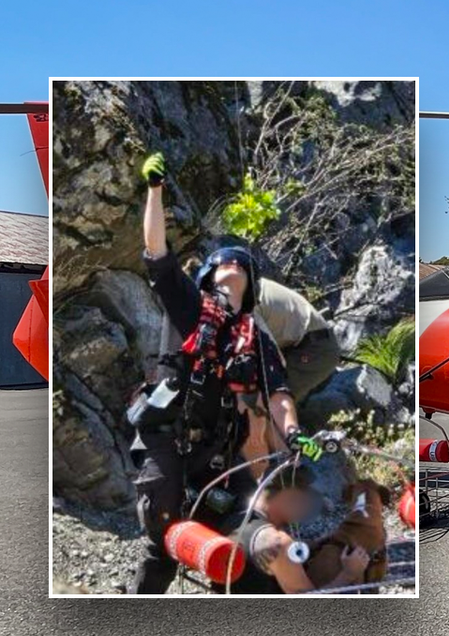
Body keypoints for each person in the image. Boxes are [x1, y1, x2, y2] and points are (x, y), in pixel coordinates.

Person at [128, 152, 323, 594]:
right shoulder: (190, 307)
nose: (232, 265)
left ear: (252, 286)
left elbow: (278, 395)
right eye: (223, 261)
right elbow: (157, 254)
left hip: (221, 450)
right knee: (161, 542)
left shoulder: (256, 336)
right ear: (208, 274)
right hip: (169, 438)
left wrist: (292, 432)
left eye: (240, 264)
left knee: (253, 526)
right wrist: (155, 191)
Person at [230, 464, 371, 594]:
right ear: (290, 496)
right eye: (306, 500)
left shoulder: (235, 513)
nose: (308, 509)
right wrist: (348, 573)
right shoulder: (277, 544)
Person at [255, 277, 340, 404]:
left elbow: (272, 357)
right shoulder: (247, 281)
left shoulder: (243, 301)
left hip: (313, 349)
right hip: (309, 344)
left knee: (271, 405)